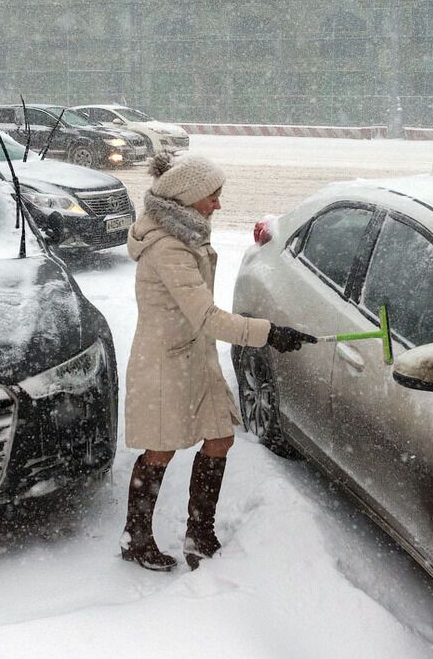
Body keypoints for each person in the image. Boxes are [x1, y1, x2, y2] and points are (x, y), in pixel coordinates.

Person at [121, 151, 315, 571]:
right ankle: (136, 538)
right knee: (161, 450)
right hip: (166, 363)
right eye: (213, 195)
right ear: (188, 197)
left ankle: (200, 534)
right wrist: (268, 333)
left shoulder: (186, 231)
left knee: (219, 438)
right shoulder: (168, 246)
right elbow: (206, 316)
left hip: (194, 357)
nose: (218, 205)